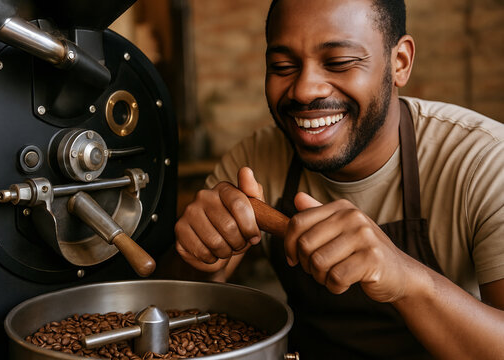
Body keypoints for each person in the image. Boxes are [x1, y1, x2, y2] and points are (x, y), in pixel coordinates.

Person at [173, 0, 504, 358]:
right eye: (282, 66)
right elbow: (171, 312)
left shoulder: (484, 162)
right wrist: (200, 260)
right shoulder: (253, 163)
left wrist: (408, 280)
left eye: (339, 63)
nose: (304, 90)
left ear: (400, 62)